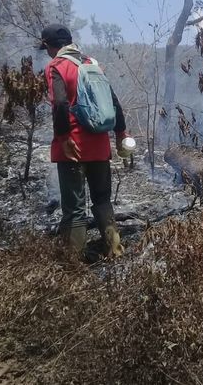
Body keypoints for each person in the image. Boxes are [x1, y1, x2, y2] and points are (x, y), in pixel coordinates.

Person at [40, 24, 126, 259]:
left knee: (75, 209)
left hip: (73, 148)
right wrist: (121, 134)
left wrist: (64, 138)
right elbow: (114, 101)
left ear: (48, 45)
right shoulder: (92, 64)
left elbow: (59, 104)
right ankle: (115, 250)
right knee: (102, 200)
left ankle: (73, 265)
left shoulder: (56, 66)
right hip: (100, 146)